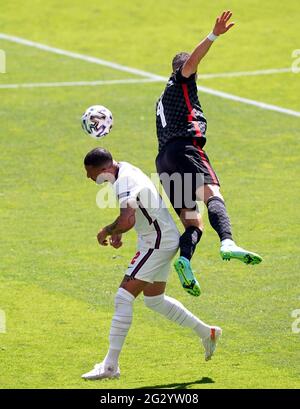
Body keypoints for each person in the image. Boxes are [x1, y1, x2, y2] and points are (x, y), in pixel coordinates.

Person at [81, 147, 222, 380]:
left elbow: (126, 219)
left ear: (105, 169)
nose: (89, 178)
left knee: (123, 297)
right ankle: (207, 332)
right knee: (155, 300)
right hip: (159, 238)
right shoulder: (123, 169)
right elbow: (131, 214)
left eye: (91, 174)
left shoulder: (123, 181)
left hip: (157, 242)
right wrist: (121, 230)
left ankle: (110, 366)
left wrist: (107, 230)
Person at [155, 10, 262, 297]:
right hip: (186, 150)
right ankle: (227, 241)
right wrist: (214, 35)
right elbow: (191, 63)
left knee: (193, 222)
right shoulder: (182, 80)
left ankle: (185, 262)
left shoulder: (163, 97)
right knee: (213, 195)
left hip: (165, 161)